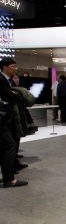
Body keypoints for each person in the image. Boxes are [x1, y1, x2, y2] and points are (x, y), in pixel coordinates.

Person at [0, 57, 28, 188]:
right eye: (13, 66)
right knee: (10, 146)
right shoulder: (1, 80)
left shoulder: (6, 80)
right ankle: (9, 179)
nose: (15, 69)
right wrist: (18, 95)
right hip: (2, 120)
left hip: (6, 119)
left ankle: (6, 176)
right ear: (5, 67)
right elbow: (9, 95)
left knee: (5, 147)